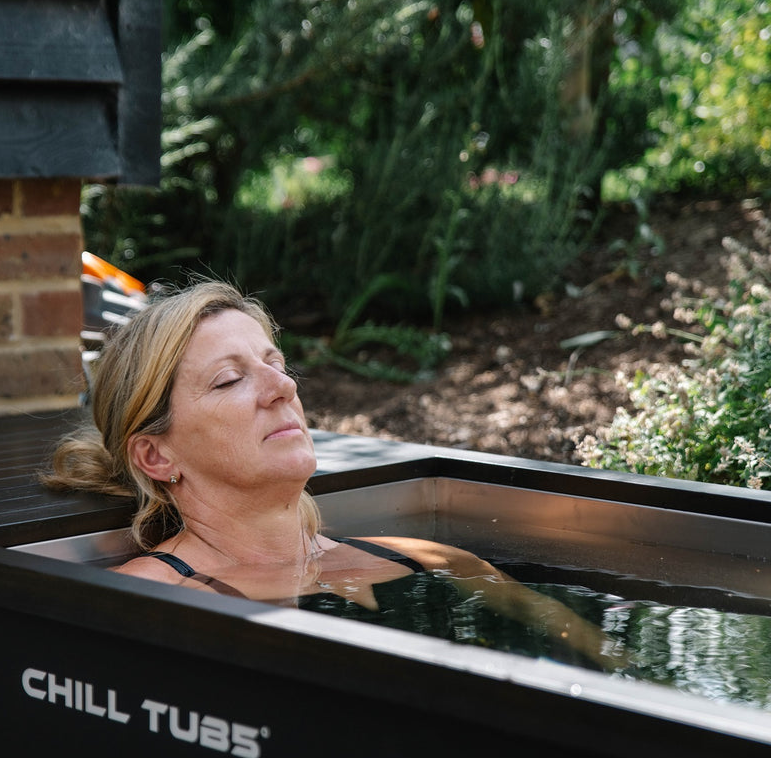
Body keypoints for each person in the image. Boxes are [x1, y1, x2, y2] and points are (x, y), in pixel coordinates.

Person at [44, 279, 625, 669]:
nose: (283, 386)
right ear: (156, 457)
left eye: (275, 362)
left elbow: (613, 670)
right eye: (229, 379)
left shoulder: (426, 561)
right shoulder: (141, 598)